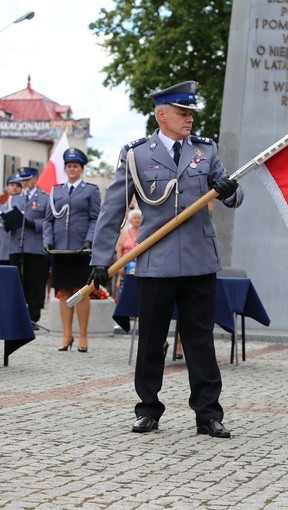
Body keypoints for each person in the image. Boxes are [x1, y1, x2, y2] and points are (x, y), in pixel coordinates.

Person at [89, 80, 243, 438]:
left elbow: (232, 196)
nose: (189, 119)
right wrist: (99, 257)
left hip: (198, 261)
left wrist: (230, 191)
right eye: (182, 112)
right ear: (162, 115)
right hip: (155, 260)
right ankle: (148, 409)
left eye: (191, 113)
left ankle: (208, 414)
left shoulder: (206, 150)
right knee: (152, 339)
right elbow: (113, 208)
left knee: (200, 340)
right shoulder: (137, 155)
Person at [43, 148, 101, 352]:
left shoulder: (91, 190)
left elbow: (95, 218)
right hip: (60, 249)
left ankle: (83, 335)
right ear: (65, 168)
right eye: (69, 166)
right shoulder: (56, 190)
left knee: (81, 292)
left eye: (76, 166)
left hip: (80, 249)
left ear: (82, 168)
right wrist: (48, 241)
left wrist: (89, 241)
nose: (72, 169)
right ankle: (67, 335)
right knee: (64, 291)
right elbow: (49, 220)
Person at [8, 167, 50, 328]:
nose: (24, 183)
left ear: (35, 179)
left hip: (34, 246)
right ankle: (15, 315)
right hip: (16, 246)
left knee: (34, 283)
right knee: (16, 282)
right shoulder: (15, 198)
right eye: (22, 180)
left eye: (27, 179)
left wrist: (34, 224)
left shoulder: (44, 198)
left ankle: (33, 317)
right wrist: (7, 223)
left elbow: (48, 221)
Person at [115, 208, 142, 292]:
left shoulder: (143, 232)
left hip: (140, 264)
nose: (137, 220)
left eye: (139, 218)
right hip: (126, 265)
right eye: (135, 218)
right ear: (131, 219)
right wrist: (120, 265)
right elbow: (119, 249)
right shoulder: (125, 233)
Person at [1, 174, 23, 265]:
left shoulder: (25, 205)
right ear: (7, 187)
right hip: (2, 250)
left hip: (18, 250)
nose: (15, 188)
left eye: (18, 185)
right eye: (12, 185)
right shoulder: (2, 206)